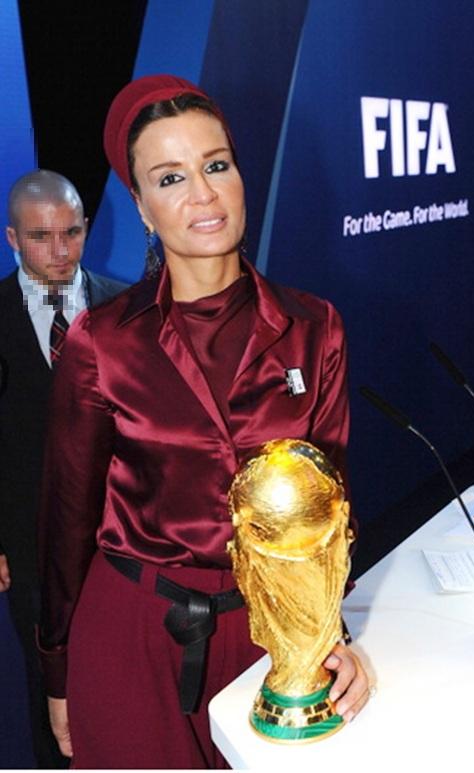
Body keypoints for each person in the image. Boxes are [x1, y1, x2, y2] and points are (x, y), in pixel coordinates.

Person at [37, 76, 370, 769]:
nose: (204, 193)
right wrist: (60, 667)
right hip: (132, 633)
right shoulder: (101, 343)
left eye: (216, 164)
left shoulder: (315, 328)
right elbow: (68, 520)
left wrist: (326, 636)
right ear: (143, 208)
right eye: (171, 177)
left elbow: (330, 512)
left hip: (269, 632)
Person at [0, 169, 127, 768]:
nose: (59, 251)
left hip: (124, 535)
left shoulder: (127, 306)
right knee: (47, 684)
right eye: (41, 236)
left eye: (72, 233)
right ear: (11, 239)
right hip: (28, 542)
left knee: (127, 672)